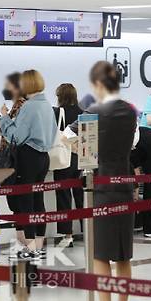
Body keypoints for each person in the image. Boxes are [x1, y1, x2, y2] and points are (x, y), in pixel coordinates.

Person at [66, 61, 138, 301]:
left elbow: (67, 135)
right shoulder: (131, 111)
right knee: (123, 255)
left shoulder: (94, 112)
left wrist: (77, 149)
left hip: (101, 188)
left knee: (100, 255)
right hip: (125, 185)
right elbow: (134, 142)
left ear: (98, 84)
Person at [0, 69, 57, 258]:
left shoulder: (29, 107)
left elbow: (17, 136)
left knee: (25, 202)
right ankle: (38, 245)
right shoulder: (47, 105)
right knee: (38, 200)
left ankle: (30, 247)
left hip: (28, 156)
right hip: (43, 157)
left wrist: (5, 119)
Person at [0, 72, 29, 246]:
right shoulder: (17, 106)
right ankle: (23, 240)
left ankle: (26, 241)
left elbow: (16, 136)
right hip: (12, 159)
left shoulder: (22, 107)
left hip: (16, 160)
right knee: (14, 201)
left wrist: (4, 116)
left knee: (18, 201)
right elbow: (8, 134)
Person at [52, 83, 84, 248]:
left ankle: (67, 235)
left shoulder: (57, 112)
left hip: (64, 159)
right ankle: (87, 229)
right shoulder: (82, 113)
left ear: (60, 97)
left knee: (63, 196)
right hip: (80, 158)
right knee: (81, 195)